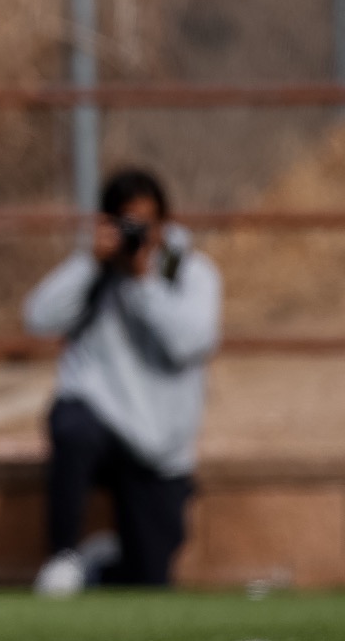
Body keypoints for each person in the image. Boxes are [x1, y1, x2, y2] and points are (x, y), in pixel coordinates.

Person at [24, 168, 221, 594]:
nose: (138, 236)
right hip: (102, 421)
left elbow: (190, 343)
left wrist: (143, 283)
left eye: (146, 225)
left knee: (149, 580)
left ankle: (99, 565)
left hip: (160, 445)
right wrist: (90, 263)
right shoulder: (96, 272)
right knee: (71, 425)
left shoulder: (189, 272)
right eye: (128, 225)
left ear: (165, 224)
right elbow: (38, 318)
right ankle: (62, 557)